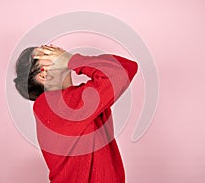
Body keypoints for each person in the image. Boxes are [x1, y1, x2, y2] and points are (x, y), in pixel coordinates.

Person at [13, 44, 138, 183]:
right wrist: (71, 60)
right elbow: (121, 72)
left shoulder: (75, 100)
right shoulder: (52, 106)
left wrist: (71, 60)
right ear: (43, 75)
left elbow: (127, 66)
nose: (54, 49)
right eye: (46, 53)